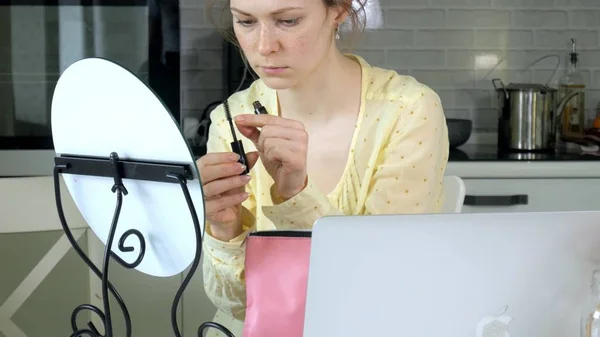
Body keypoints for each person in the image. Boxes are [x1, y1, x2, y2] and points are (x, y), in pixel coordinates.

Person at [196, 0, 450, 335]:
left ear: (339, 10)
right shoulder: (231, 118)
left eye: (288, 21)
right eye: (245, 22)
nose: (264, 46)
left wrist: (295, 196)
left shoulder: (407, 111)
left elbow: (381, 290)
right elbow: (235, 307)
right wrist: (224, 231)